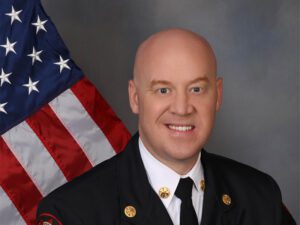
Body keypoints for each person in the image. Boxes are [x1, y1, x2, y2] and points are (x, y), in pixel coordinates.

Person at [37, 28, 297, 225]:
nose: (182, 108)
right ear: (135, 97)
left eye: (196, 89)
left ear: (217, 95)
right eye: (163, 90)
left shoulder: (260, 197)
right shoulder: (71, 213)